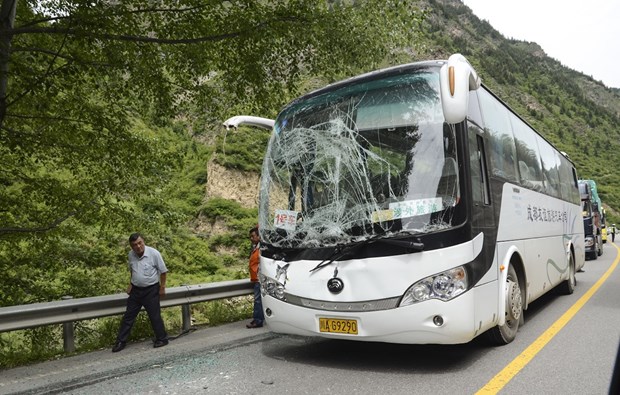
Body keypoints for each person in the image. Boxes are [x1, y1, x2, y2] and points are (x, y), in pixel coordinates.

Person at [112, 233, 169, 352]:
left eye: (140, 243)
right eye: (134, 245)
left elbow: (163, 271)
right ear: (131, 246)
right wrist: (131, 284)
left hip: (151, 290)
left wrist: (162, 287)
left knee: (154, 316)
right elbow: (133, 270)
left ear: (143, 242)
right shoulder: (131, 255)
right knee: (128, 316)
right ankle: (120, 342)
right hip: (136, 290)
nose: (138, 246)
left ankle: (162, 339)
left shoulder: (154, 254)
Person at [246, 226, 264, 328]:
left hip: (259, 278)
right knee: (258, 300)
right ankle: (257, 319)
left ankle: (258, 320)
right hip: (256, 277)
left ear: (259, 236)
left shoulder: (261, 248)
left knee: (258, 300)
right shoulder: (255, 247)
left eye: (253, 236)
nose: (251, 239)